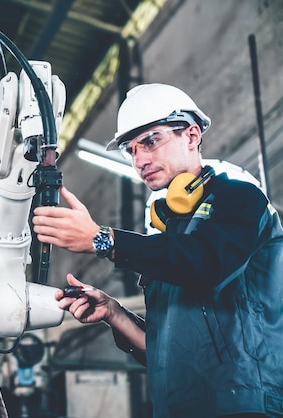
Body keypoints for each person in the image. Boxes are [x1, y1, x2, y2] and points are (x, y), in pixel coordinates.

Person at [32, 83, 283, 418]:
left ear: (192, 136)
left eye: (150, 141)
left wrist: (102, 239)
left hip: (246, 407)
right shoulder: (167, 238)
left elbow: (206, 263)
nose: (140, 160)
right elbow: (162, 352)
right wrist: (113, 312)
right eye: (131, 150)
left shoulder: (239, 199)